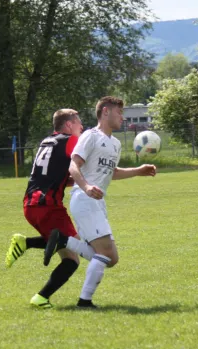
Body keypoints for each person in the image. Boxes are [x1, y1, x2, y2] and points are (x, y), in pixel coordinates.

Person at [44, 96, 157, 309]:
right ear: (105, 112)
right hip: (85, 199)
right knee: (106, 253)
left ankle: (63, 241)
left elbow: (111, 173)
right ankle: (84, 301)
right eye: (119, 113)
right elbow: (73, 166)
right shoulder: (90, 136)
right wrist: (86, 186)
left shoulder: (114, 144)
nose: (122, 117)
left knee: (110, 258)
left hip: (97, 202)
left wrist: (138, 171)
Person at [5, 108, 96, 309]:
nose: (81, 127)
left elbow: (56, 176)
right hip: (48, 207)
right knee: (73, 255)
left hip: (31, 204)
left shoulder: (47, 141)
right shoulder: (70, 141)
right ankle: (41, 297)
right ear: (69, 125)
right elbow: (87, 163)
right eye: (78, 122)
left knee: (64, 245)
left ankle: (26, 245)